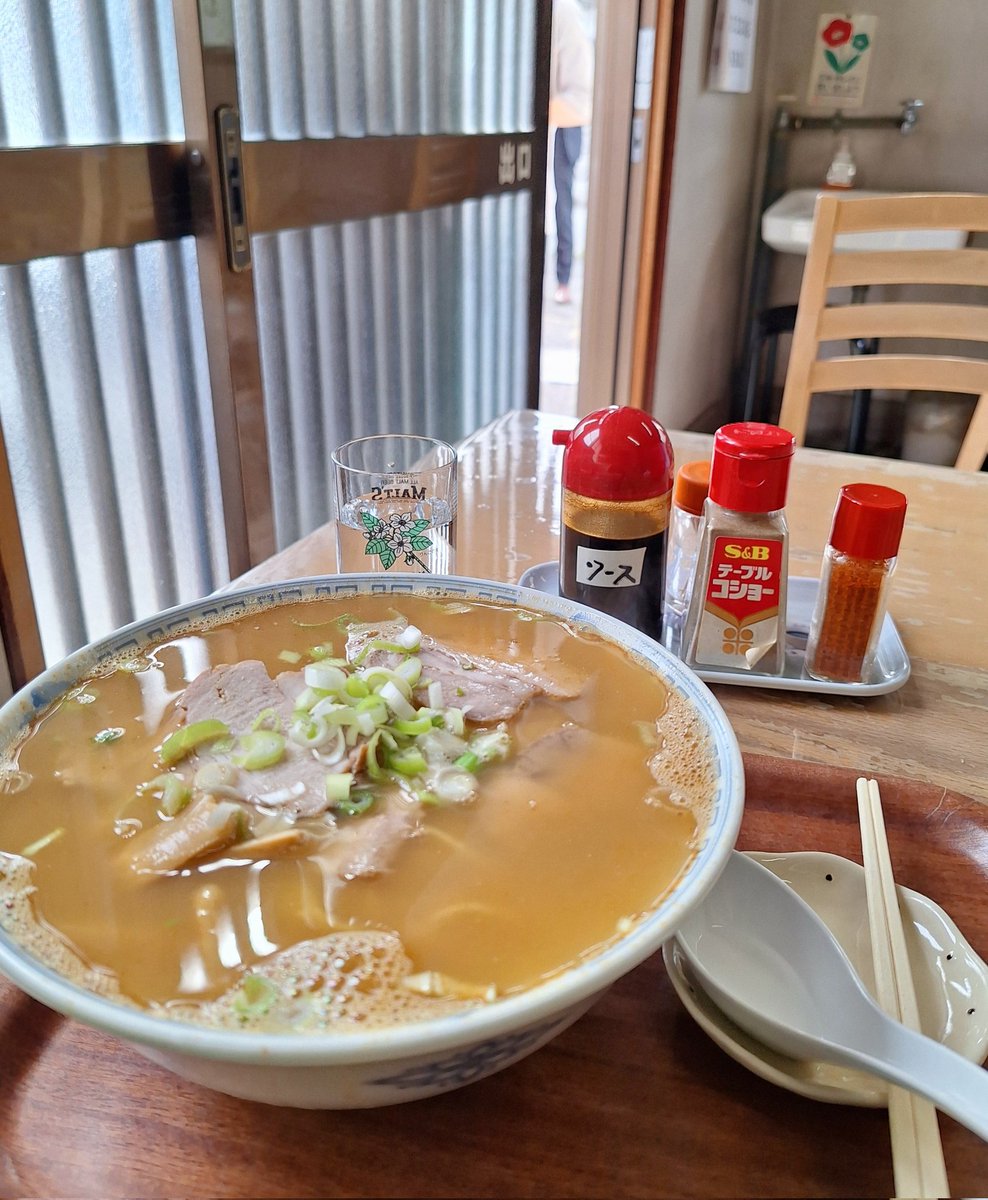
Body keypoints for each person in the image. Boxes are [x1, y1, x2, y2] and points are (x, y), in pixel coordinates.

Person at [549, 0, 593, 306]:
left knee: (562, 201)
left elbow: (581, 96)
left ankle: (563, 279)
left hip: (565, 123)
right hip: (545, 121)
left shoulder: (565, 12)